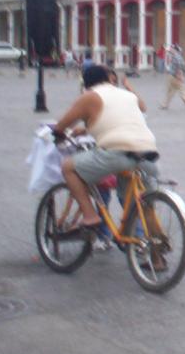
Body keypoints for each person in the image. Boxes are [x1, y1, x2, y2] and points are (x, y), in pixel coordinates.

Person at [52, 65, 160, 257]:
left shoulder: (90, 97)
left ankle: (91, 216)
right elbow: (120, 119)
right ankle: (157, 257)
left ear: (86, 83)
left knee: (68, 167)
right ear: (108, 79)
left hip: (116, 152)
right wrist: (86, 130)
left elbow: (62, 125)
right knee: (145, 205)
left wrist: (59, 134)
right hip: (148, 152)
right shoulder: (126, 95)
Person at [160, 45, 185, 109]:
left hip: (174, 76)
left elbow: (180, 66)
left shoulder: (177, 57)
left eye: (172, 49)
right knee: (172, 90)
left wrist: (179, 75)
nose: (170, 50)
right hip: (173, 75)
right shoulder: (176, 56)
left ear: (175, 50)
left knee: (179, 90)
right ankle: (165, 104)